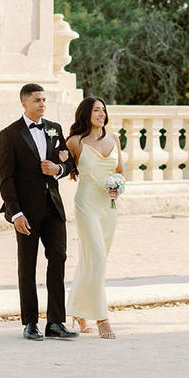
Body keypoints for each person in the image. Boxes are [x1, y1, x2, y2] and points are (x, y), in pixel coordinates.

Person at [0, 83, 78, 341]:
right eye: (37, 100)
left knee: (59, 259)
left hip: (53, 207)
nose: (42, 104)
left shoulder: (55, 128)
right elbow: (5, 178)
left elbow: (69, 163)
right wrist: (16, 213)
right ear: (24, 104)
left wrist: (59, 170)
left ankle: (55, 322)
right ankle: (30, 322)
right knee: (27, 265)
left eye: (44, 100)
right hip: (26, 212)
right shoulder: (10, 134)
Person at [66, 97, 122, 338]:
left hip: (108, 207)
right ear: (86, 114)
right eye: (96, 110)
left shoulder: (115, 139)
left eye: (103, 110)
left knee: (92, 260)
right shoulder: (76, 142)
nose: (101, 113)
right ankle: (102, 319)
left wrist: (118, 187)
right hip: (86, 203)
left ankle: (78, 311)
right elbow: (63, 168)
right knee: (97, 257)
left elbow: (121, 173)